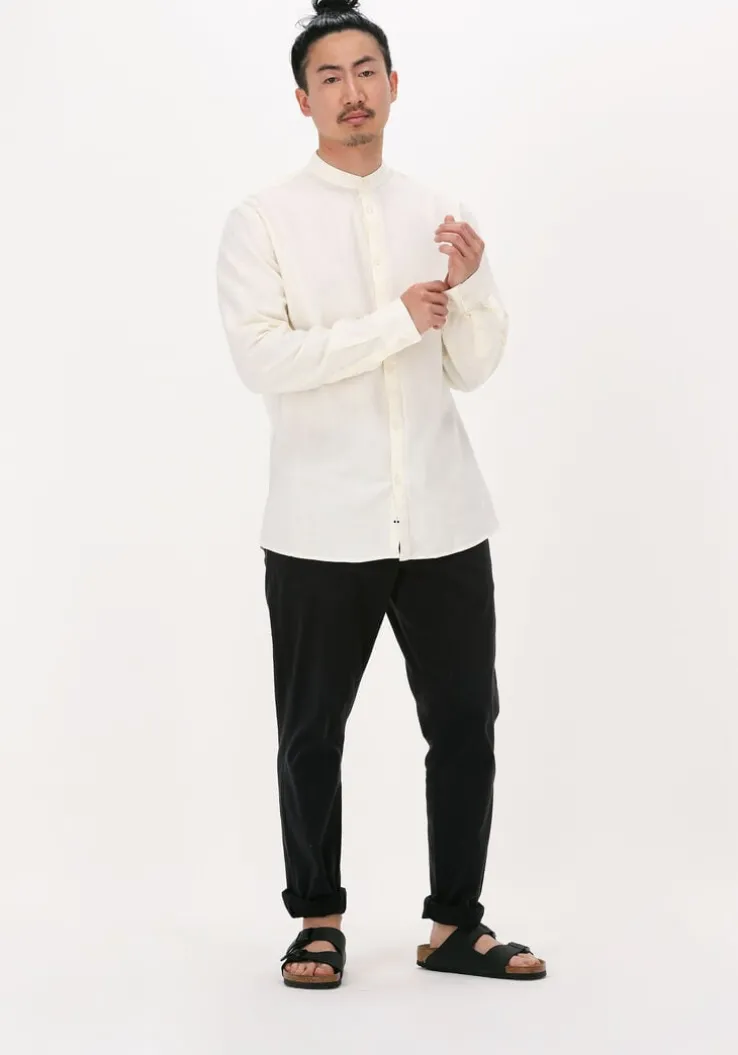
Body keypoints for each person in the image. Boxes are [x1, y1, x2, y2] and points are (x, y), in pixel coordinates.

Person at [215, 0, 546, 989]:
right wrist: (395, 321)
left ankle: (454, 925)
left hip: (444, 513)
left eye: (367, 71)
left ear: (394, 85)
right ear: (303, 100)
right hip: (321, 523)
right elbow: (265, 360)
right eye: (330, 76)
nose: (352, 91)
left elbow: (471, 366)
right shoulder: (262, 221)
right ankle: (317, 918)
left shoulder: (438, 208)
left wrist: (470, 286)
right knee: (311, 731)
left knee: (466, 723)